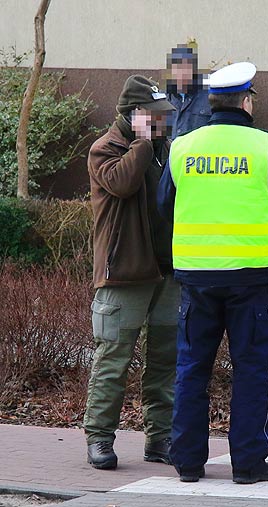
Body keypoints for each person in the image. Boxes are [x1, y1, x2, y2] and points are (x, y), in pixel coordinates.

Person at [157, 62, 268, 484]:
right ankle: (247, 464)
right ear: (246, 101)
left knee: (192, 370)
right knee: (251, 369)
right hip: (250, 280)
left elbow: (164, 205)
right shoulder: (265, 146)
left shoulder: (183, 146)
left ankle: (188, 463)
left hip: (196, 280)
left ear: (211, 103)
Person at [84, 75, 179, 469]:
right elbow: (122, 184)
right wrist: (142, 141)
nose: (163, 122)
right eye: (155, 115)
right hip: (124, 274)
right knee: (113, 359)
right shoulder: (105, 149)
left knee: (165, 361)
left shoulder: (165, 151)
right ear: (134, 115)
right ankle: (100, 439)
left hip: (166, 274)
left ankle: (160, 440)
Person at [164, 43, 211, 139]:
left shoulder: (208, 97)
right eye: (178, 68)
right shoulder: (164, 98)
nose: (182, 73)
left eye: (186, 68)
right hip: (170, 152)